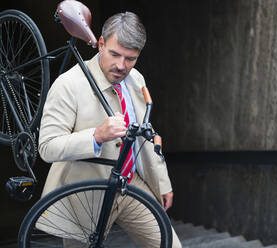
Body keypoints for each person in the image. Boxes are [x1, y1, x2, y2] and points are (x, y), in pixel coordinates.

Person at [38, 11, 182, 248]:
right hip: (84, 192)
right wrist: (96, 136)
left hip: (129, 184)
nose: (121, 66)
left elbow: (145, 134)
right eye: (115, 54)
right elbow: (47, 147)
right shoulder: (69, 85)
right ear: (101, 44)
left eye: (130, 58)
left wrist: (162, 183)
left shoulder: (136, 79)